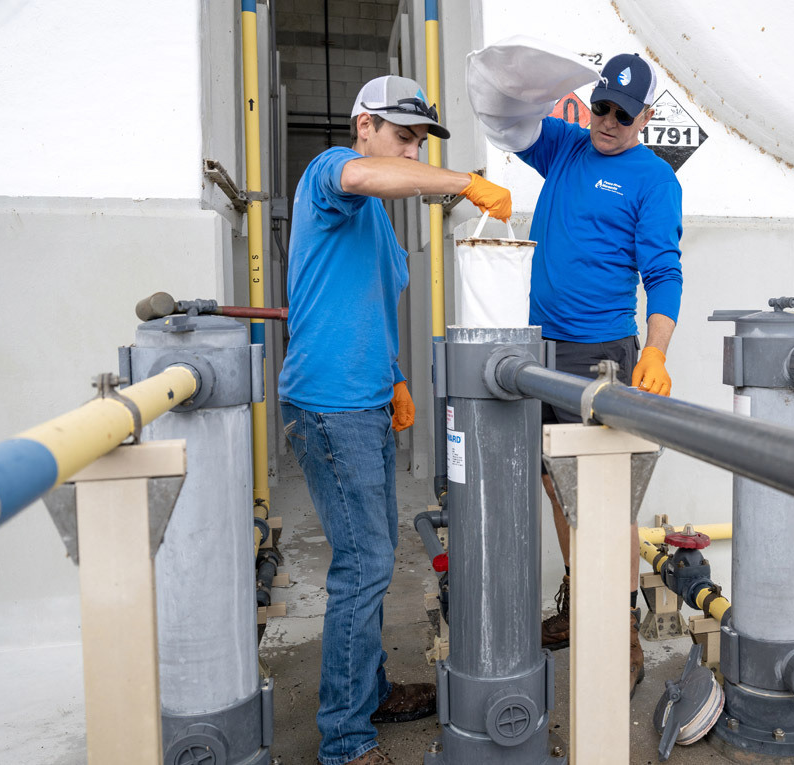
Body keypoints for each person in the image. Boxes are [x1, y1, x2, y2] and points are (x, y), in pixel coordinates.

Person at [278, 75, 512, 765]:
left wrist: (397, 379)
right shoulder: (332, 173)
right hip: (331, 405)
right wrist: (464, 182)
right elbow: (364, 175)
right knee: (364, 564)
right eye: (403, 137)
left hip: (367, 399)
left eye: (419, 141)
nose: (412, 151)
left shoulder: (378, 222)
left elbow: (368, 305)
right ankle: (345, 741)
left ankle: (369, 690)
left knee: (372, 559)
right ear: (364, 127)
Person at [472, 50, 683, 698]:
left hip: (600, 354)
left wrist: (656, 352)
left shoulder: (654, 180)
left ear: (646, 118)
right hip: (536, 347)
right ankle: (581, 594)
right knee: (553, 481)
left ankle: (621, 631)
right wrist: (531, 78)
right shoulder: (566, 146)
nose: (609, 121)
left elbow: (663, 273)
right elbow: (505, 120)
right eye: (601, 106)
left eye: (623, 113)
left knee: (604, 496)